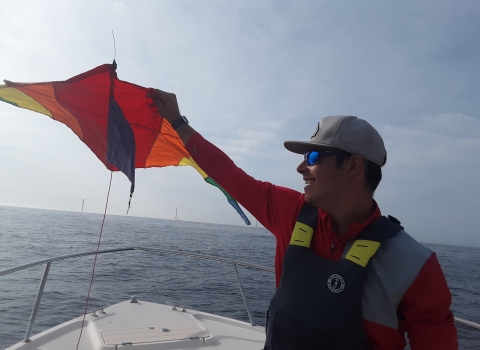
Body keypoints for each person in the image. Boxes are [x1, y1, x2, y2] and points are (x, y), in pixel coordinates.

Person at [150, 89, 458, 349]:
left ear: (352, 166)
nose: (300, 168)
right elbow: (229, 174)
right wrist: (177, 121)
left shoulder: (415, 266)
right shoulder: (292, 212)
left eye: (312, 157)